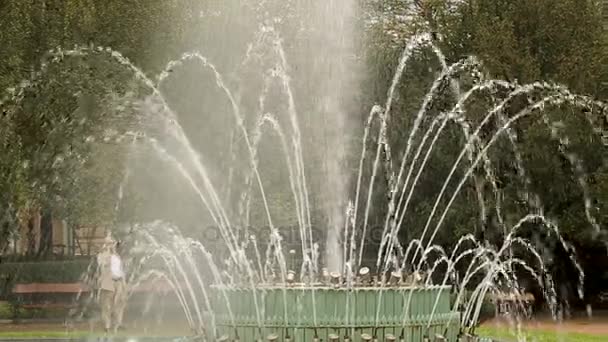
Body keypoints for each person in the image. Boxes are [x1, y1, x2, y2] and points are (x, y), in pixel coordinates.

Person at [96, 235, 127, 334]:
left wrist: (123, 282)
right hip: (108, 283)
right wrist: (108, 252)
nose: (112, 245)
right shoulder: (102, 255)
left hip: (119, 282)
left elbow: (120, 269)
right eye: (109, 243)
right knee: (106, 305)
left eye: (113, 243)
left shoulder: (117, 256)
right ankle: (107, 326)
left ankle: (118, 323)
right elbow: (102, 264)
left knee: (119, 303)